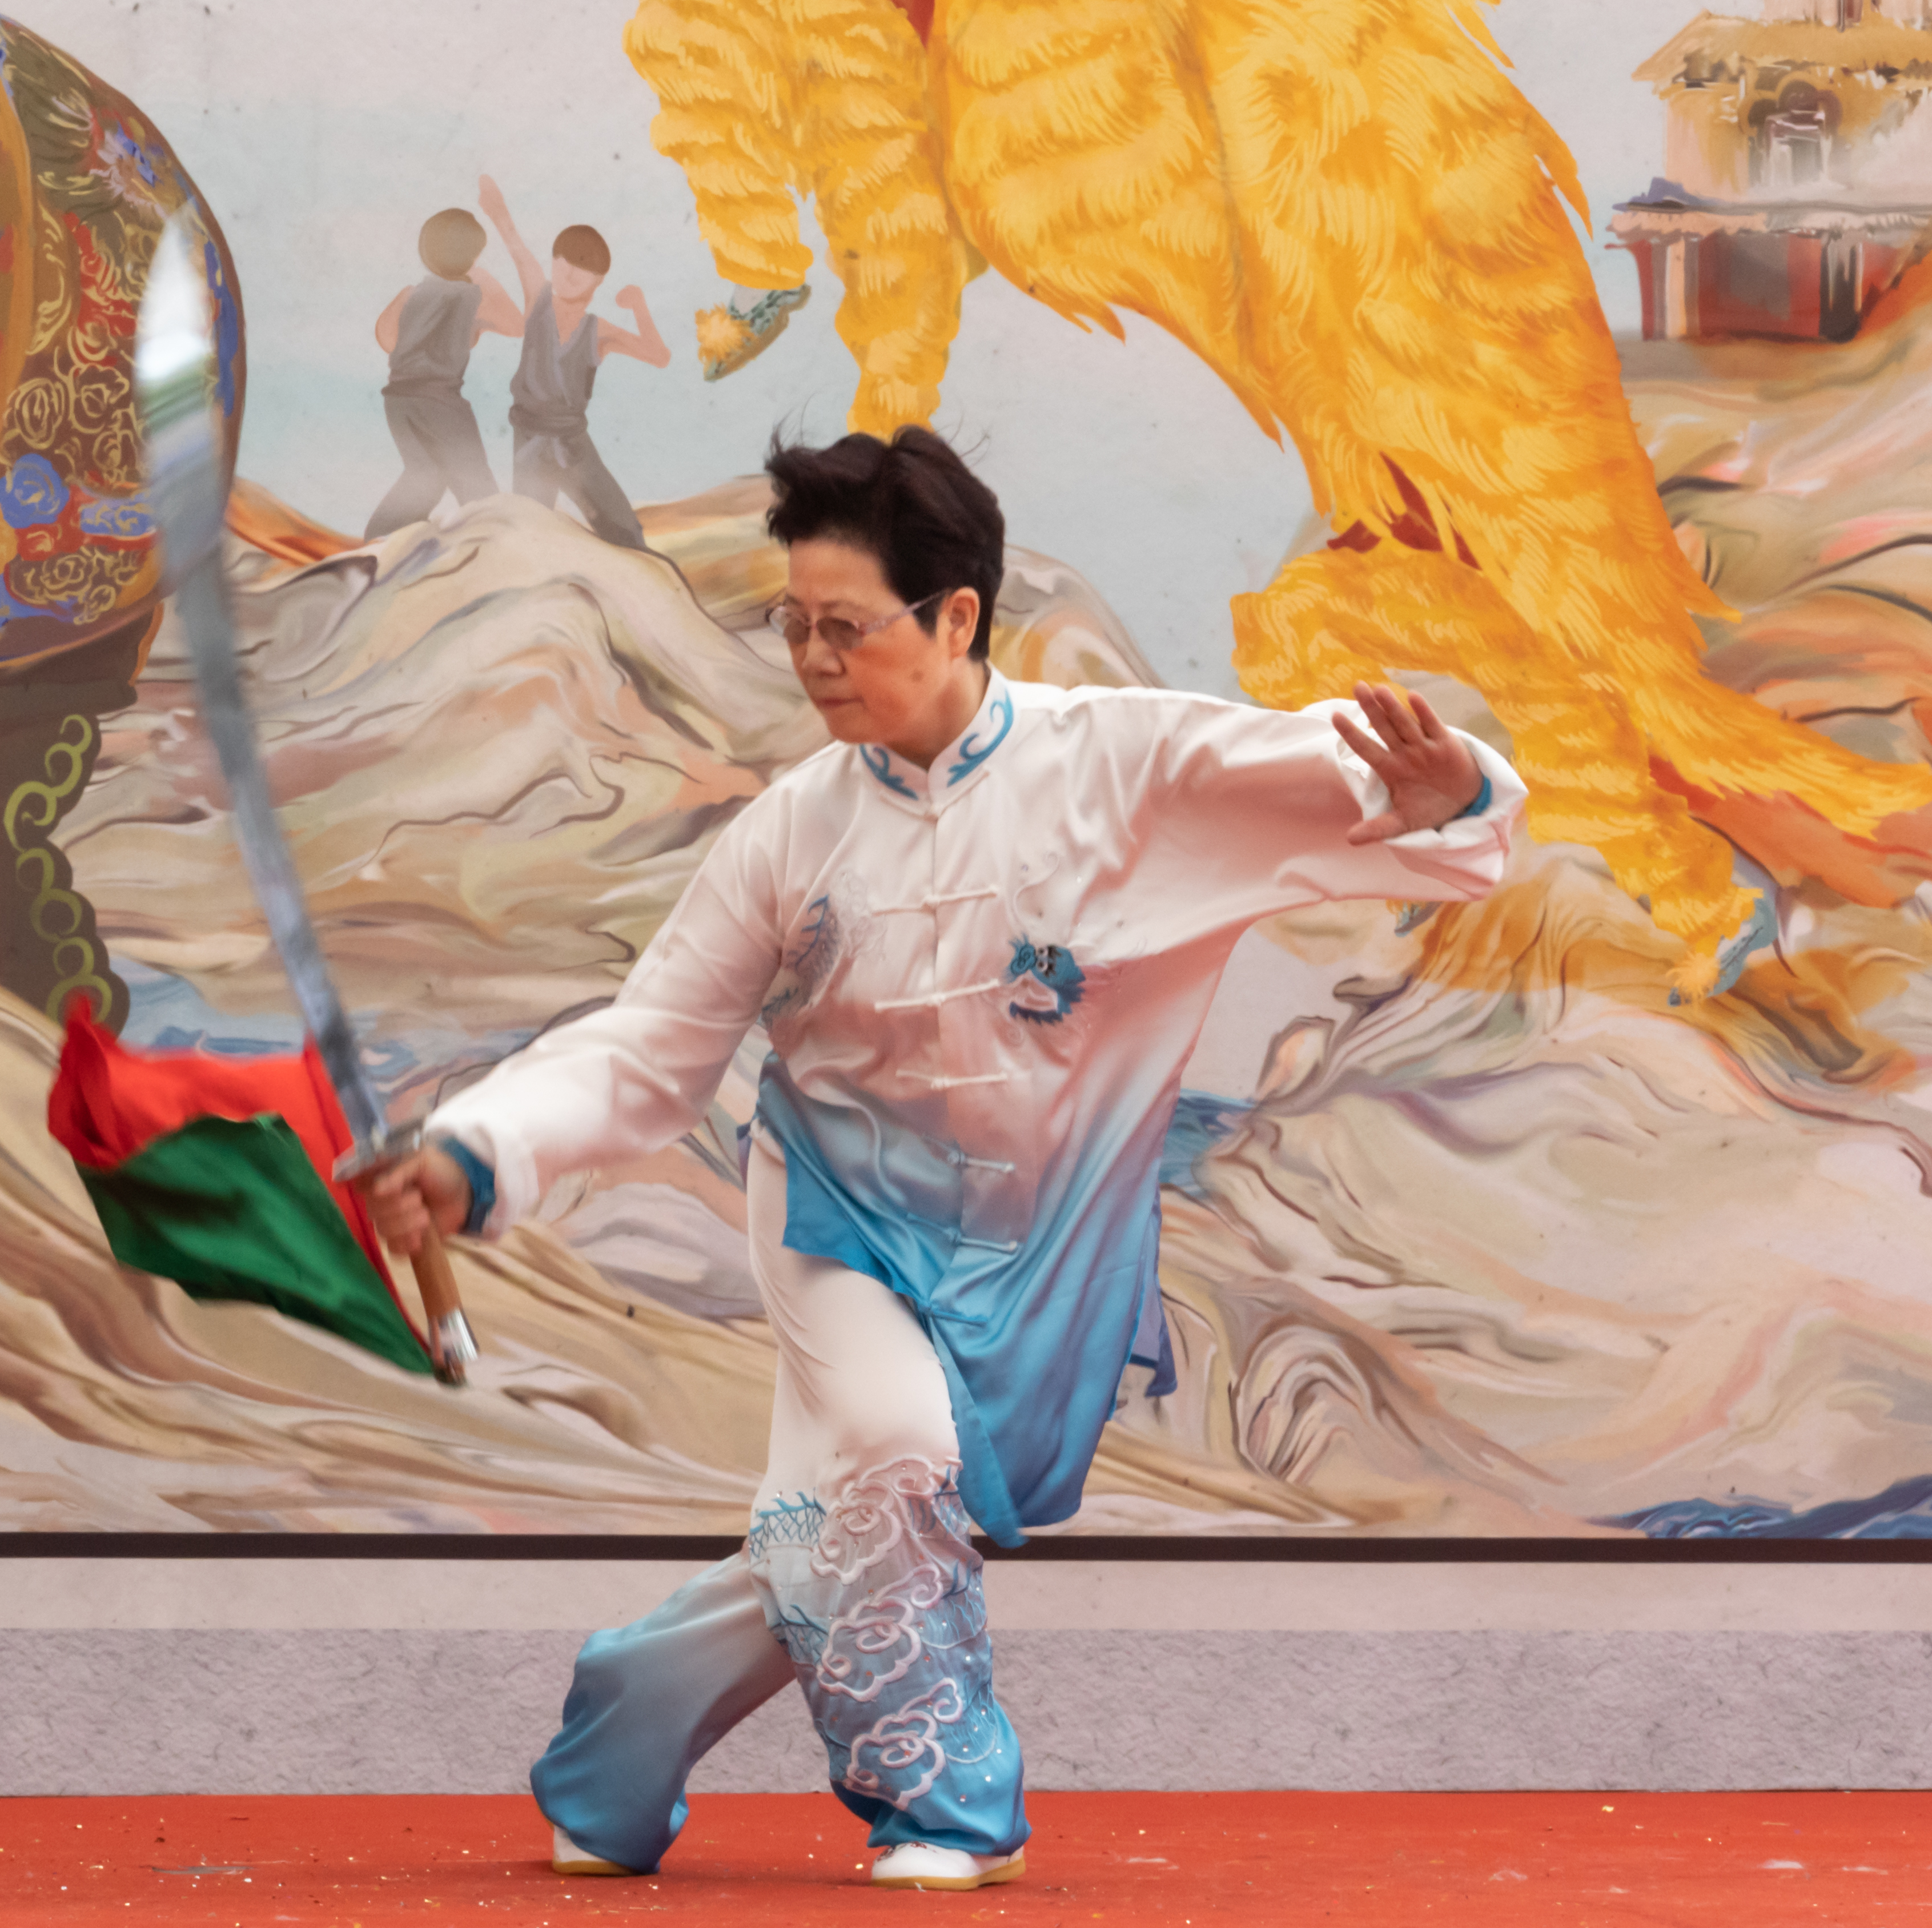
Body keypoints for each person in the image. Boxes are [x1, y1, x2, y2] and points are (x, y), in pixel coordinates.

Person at [368, 427, 1527, 1892]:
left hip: (1046, 1241)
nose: (810, 658)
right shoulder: (788, 836)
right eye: (791, 624)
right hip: (839, 1222)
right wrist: (478, 1152)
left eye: (843, 626)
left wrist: (1449, 792)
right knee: (901, 1463)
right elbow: (648, 1048)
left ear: (956, 615)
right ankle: (942, 1800)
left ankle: (622, 1726)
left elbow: (1358, 782)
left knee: (859, 1517)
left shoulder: (1124, 768)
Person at [478, 176, 669, 552]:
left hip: (574, 446)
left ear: (597, 280)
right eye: (561, 260)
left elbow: (658, 356)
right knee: (531, 540)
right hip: (530, 441)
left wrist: (640, 306)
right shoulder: (538, 301)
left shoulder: (598, 332)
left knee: (627, 535)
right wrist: (497, 210)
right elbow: (516, 248)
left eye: (580, 267)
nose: (567, 271)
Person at [363, 207, 525, 541]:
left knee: (425, 476)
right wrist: (484, 281)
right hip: (440, 403)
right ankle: (498, 550)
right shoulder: (473, 297)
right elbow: (516, 325)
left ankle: (377, 541)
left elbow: (386, 338)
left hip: (399, 401)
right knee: (477, 488)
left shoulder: (410, 295)